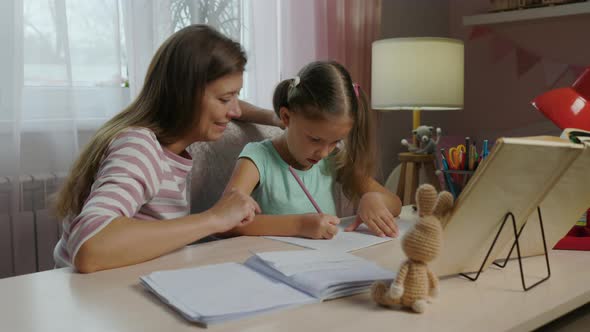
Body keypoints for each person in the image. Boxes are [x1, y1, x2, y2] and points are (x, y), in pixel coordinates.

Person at [52, 24, 280, 273]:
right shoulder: (139, 147)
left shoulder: (168, 149)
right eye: (226, 99)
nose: (235, 110)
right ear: (184, 94)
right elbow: (90, 247)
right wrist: (214, 218)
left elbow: (233, 104)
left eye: (236, 96)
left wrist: (274, 118)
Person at [223, 61, 402, 240]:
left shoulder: (333, 160)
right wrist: (299, 225)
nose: (324, 153)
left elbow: (395, 203)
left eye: (335, 141)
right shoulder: (258, 158)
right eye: (315, 139)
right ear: (286, 117)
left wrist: (373, 198)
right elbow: (226, 220)